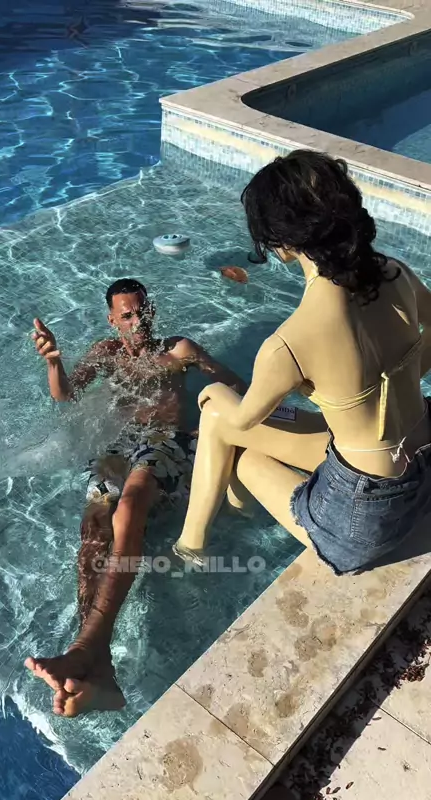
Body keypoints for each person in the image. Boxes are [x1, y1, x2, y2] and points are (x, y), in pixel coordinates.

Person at [174, 150, 431, 577]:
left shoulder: (289, 343)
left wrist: (212, 392)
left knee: (228, 435)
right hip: (424, 463)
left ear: (283, 241)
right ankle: (207, 533)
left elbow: (241, 420)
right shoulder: (396, 273)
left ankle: (193, 546)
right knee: (318, 427)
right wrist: (394, 386)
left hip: (366, 519)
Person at [25, 278, 246, 717]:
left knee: (128, 507)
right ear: (112, 320)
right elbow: (67, 395)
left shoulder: (178, 351)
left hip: (164, 441)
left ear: (152, 311)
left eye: (142, 312)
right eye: (127, 315)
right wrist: (54, 362)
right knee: (94, 530)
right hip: (120, 446)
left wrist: (209, 424)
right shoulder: (106, 352)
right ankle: (94, 662)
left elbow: (235, 388)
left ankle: (87, 651)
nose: (137, 321)